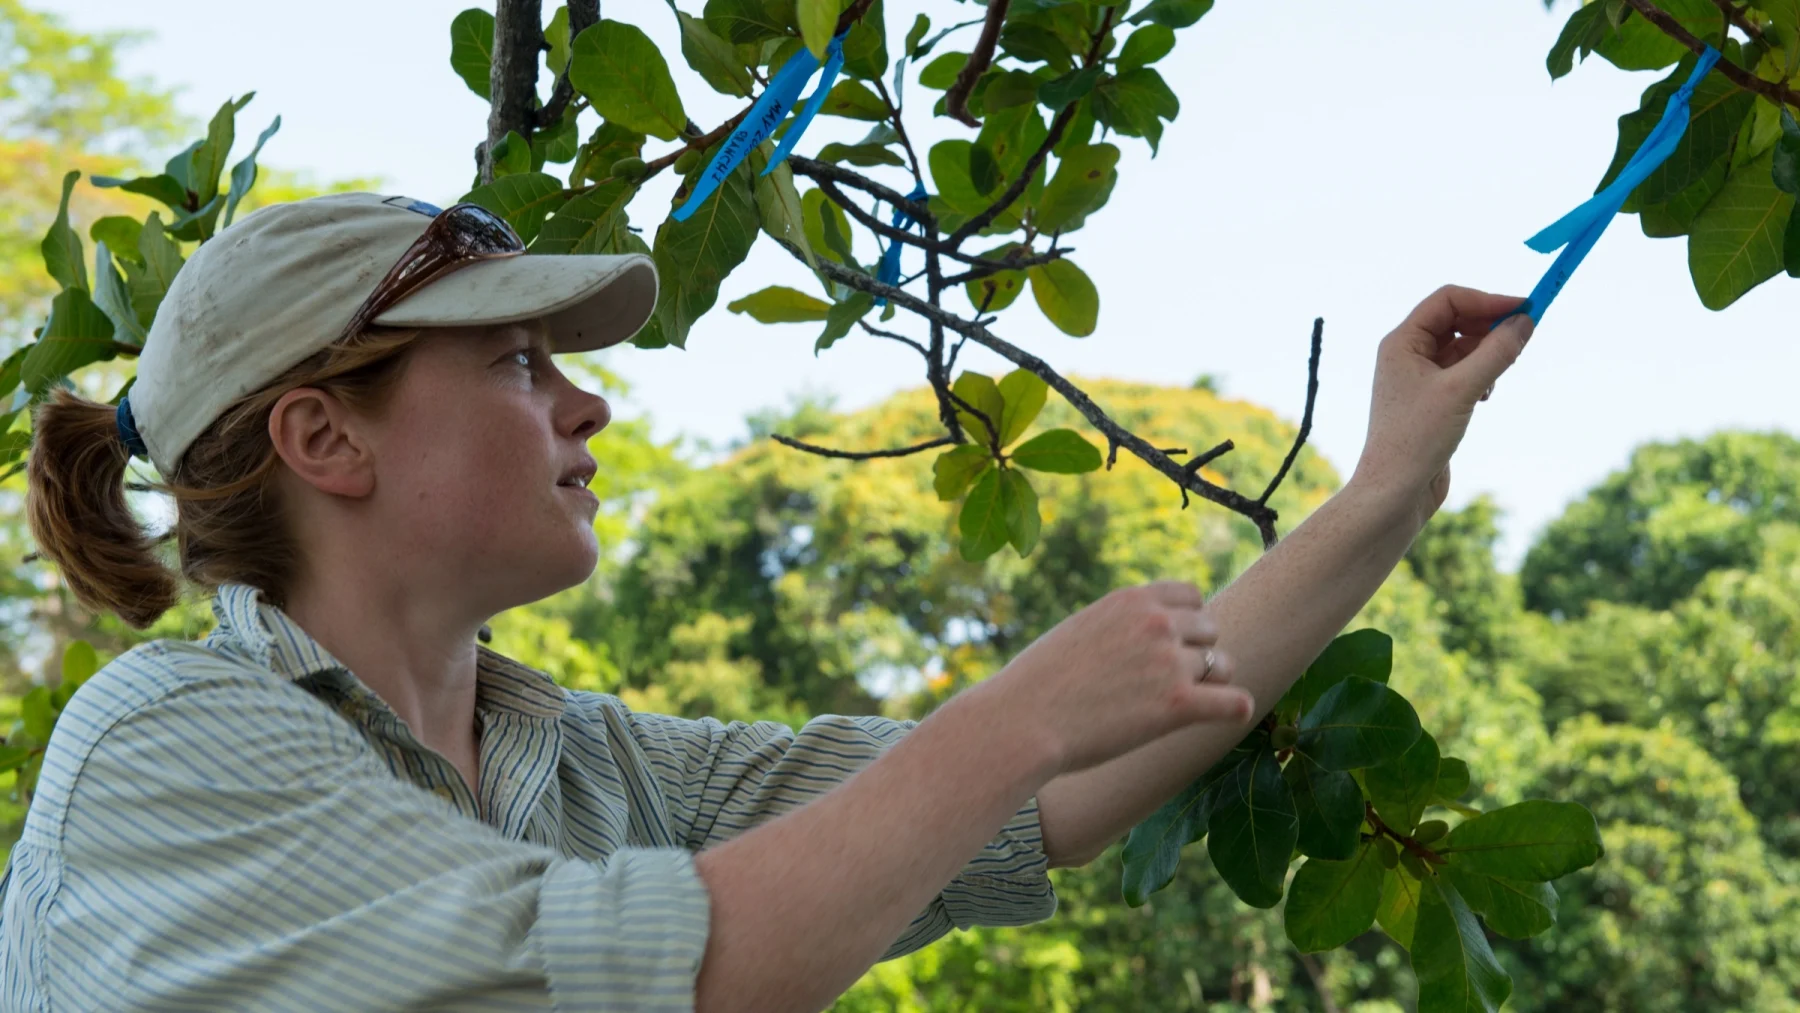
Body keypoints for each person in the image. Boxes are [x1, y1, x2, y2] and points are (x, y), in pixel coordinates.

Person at [0, 193, 1530, 1012]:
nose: (585, 407)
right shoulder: (167, 748)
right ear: (323, 438)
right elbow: (665, 973)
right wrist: (1012, 720)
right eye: (519, 364)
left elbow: (1052, 798)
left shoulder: (595, 766)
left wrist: (1389, 481)